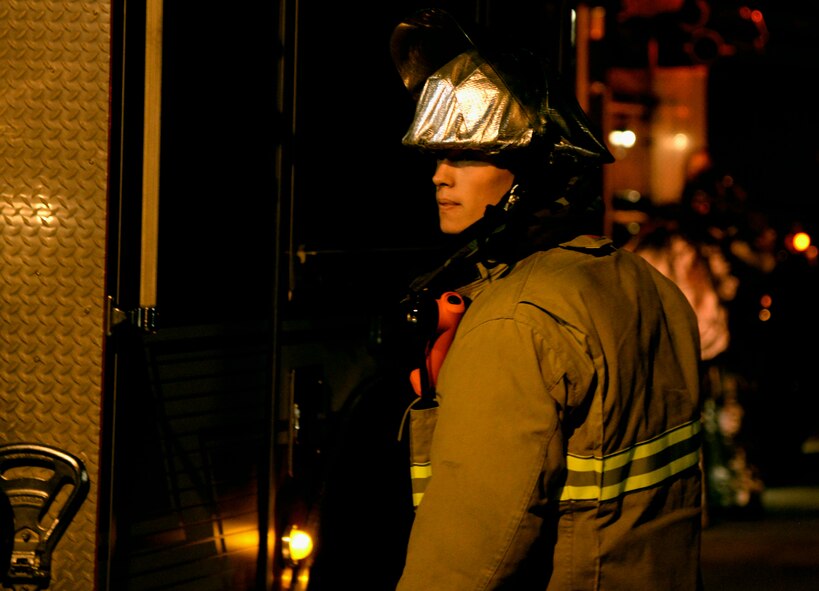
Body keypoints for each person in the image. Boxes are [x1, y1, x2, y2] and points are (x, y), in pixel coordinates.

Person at [389, 8, 704, 590]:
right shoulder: (645, 285)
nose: (440, 176)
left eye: (467, 156)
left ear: (532, 171)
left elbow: (468, 549)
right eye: (437, 157)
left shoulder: (514, 320)